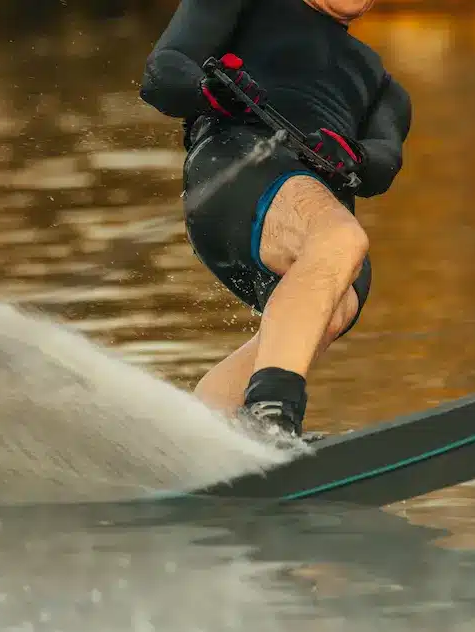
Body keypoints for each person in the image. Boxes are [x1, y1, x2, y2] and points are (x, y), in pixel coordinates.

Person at [138, 0, 411, 442]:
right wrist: (208, 91)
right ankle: (272, 421)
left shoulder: (384, 86)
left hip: (310, 212)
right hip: (238, 170)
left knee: (339, 301)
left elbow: (385, 160)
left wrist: (354, 155)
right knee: (341, 240)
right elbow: (163, 73)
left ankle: (208, 435)